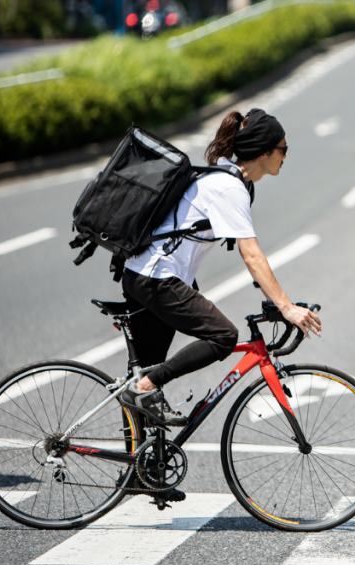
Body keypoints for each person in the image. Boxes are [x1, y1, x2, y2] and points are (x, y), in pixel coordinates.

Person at [118, 108, 321, 427]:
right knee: (223, 336)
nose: (285, 155)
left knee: (149, 373)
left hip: (149, 274)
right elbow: (251, 254)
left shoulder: (226, 178)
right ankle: (144, 389)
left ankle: (139, 471)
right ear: (265, 152)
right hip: (156, 277)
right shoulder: (229, 187)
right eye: (284, 149)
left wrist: (276, 300)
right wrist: (285, 306)